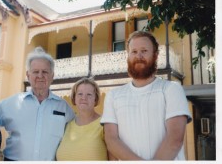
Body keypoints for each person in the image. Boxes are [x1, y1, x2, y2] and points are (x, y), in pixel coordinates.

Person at [100, 31, 192, 160]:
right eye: (134, 51)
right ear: (128, 56)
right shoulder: (113, 96)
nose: (139, 56)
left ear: (155, 55)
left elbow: (175, 140)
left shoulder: (171, 89)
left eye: (144, 51)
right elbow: (111, 140)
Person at [0, 47, 75, 161]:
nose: (40, 76)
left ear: (52, 75)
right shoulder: (11, 104)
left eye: (45, 72)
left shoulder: (64, 107)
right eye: (36, 72)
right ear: (28, 75)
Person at [56, 77, 109, 161]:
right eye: (80, 94)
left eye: (89, 94)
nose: (84, 98)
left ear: (96, 99)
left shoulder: (105, 124)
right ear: (74, 98)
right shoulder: (66, 125)